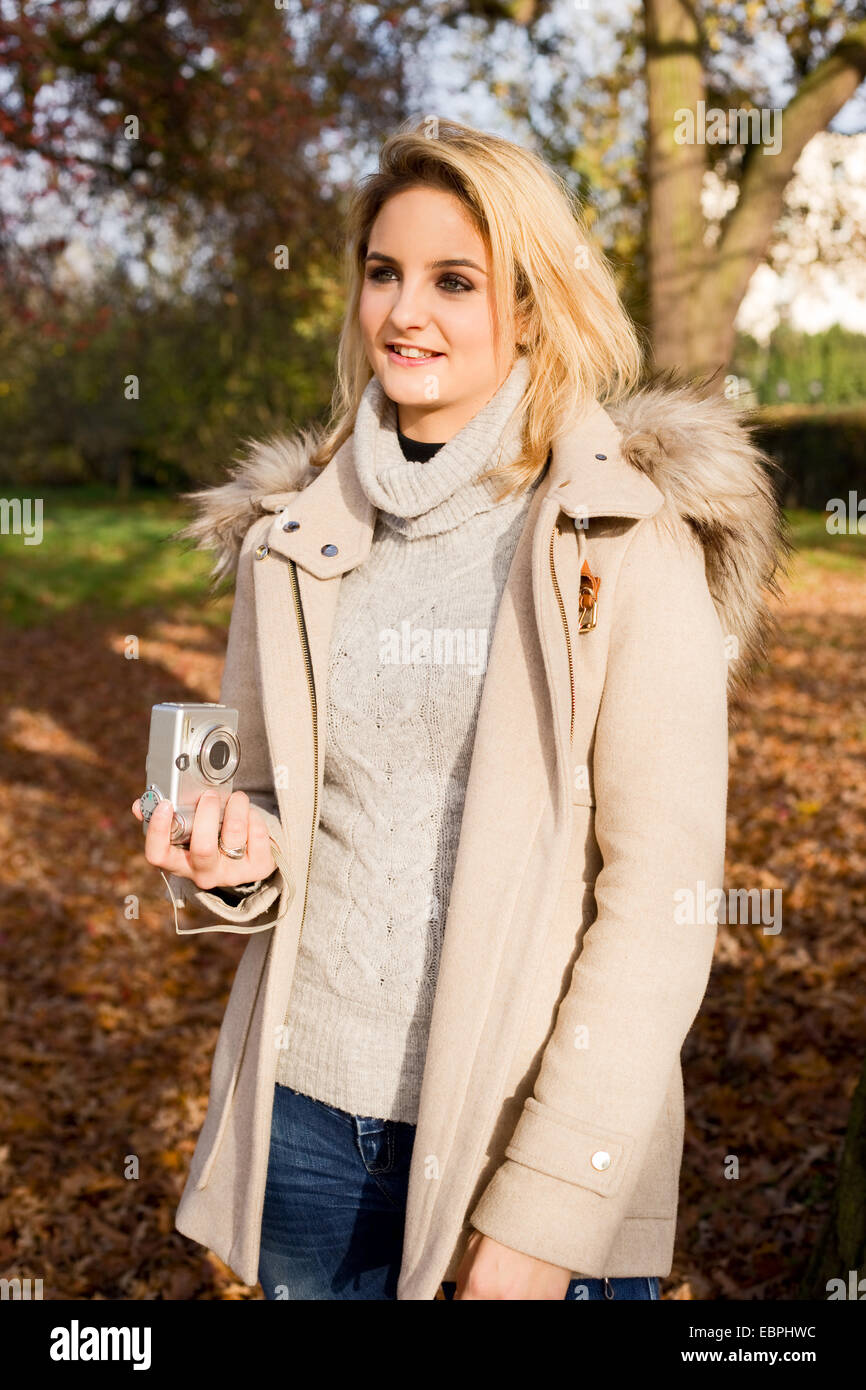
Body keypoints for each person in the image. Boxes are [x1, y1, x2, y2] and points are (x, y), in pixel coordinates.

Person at [132, 116, 786, 1301]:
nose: (404, 313)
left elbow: (660, 901)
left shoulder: (619, 537)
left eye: (452, 280)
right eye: (383, 273)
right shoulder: (295, 535)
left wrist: (542, 1214)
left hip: (507, 1142)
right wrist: (232, 856)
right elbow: (272, 807)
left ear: (529, 307)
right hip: (309, 1138)